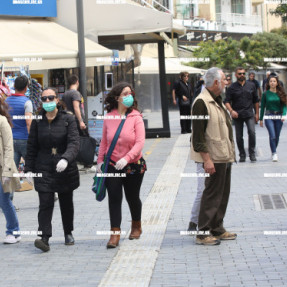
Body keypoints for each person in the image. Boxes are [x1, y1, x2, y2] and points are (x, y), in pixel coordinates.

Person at [25, 87, 80, 252]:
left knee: (66, 201)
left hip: (64, 167)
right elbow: (32, 146)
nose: (47, 101)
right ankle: (44, 238)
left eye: (51, 98)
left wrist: (66, 158)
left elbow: (74, 143)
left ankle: (68, 231)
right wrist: (28, 168)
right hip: (43, 166)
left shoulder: (67, 119)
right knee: (45, 202)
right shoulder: (37, 121)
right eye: (44, 99)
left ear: (57, 99)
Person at [97, 82, 146, 249]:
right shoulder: (109, 117)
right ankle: (115, 233)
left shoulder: (136, 117)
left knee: (132, 197)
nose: (129, 96)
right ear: (117, 98)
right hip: (112, 165)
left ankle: (136, 225)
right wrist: (100, 161)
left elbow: (140, 142)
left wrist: (127, 158)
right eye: (125, 94)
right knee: (114, 197)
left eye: (130, 93)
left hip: (132, 165)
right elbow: (104, 141)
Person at [191, 67, 236, 246]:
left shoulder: (217, 100)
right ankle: (202, 232)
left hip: (224, 155)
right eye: (224, 79)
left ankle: (217, 227)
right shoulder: (201, 102)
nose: (226, 82)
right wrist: (207, 159)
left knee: (222, 194)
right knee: (211, 194)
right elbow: (198, 136)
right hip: (213, 157)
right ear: (216, 82)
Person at [5, 76, 33, 200]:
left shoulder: (6, 101)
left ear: (14, 87)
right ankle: (47, 194)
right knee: (34, 167)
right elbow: (28, 122)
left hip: (10, 140)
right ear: (26, 87)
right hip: (25, 140)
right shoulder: (27, 102)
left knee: (11, 170)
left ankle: (8, 200)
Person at [225, 67, 259, 163]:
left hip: (249, 114)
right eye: (240, 74)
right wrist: (231, 111)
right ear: (236, 75)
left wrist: (257, 114)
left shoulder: (251, 85)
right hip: (237, 115)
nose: (242, 75)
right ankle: (242, 154)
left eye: (243, 73)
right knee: (239, 136)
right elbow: (226, 101)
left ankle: (252, 153)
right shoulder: (232, 87)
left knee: (252, 132)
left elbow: (256, 100)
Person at [0, 97, 21, 244]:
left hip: (2, 169)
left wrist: (7, 172)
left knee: (4, 201)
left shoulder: (2, 121)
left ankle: (13, 231)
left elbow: (8, 148)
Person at [259, 76, 287, 162]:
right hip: (268, 116)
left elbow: (284, 105)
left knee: (277, 136)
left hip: (278, 116)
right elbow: (262, 107)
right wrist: (260, 119)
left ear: (277, 83)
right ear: (268, 83)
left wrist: (284, 114)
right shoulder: (265, 94)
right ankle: (274, 153)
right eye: (270, 81)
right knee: (272, 136)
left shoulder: (281, 93)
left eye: (274, 81)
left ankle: (273, 150)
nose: (272, 83)